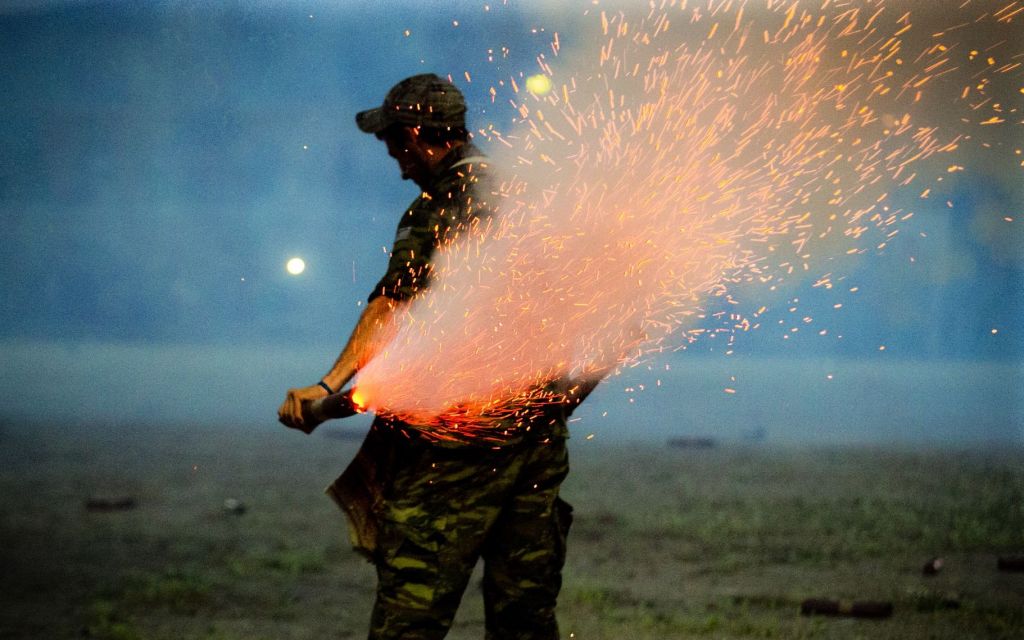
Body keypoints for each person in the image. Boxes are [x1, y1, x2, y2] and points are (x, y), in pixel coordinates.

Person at [278, 73, 596, 640]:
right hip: (537, 436)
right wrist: (560, 399)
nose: (399, 163)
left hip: (457, 445)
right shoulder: (530, 191)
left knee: (410, 616)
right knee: (525, 616)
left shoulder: (445, 201)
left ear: (422, 135)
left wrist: (327, 388)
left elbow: (393, 306)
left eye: (397, 145)